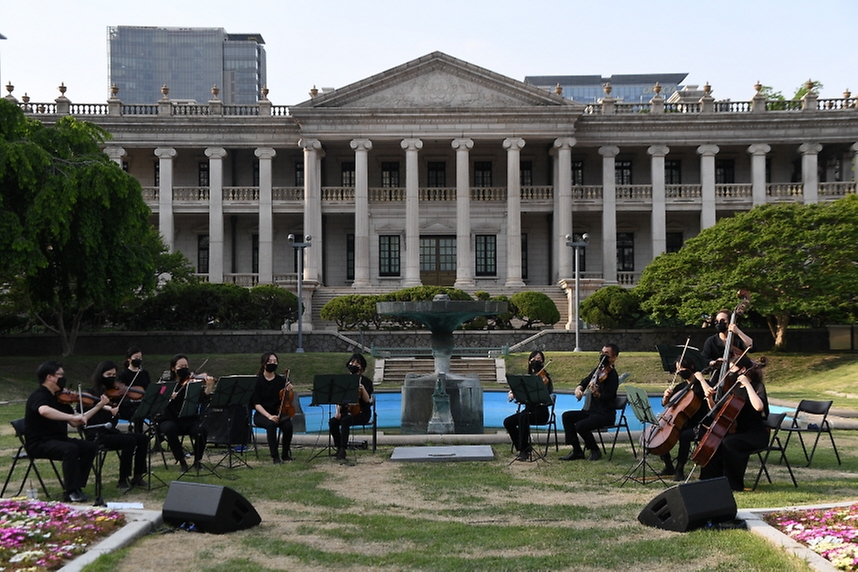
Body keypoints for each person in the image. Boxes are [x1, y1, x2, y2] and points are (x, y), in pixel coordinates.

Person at [24, 361, 110, 502]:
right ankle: (71, 492)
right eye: (61, 375)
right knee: (70, 449)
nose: (64, 378)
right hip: (39, 443)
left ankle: (77, 486)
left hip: (58, 439)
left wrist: (98, 406)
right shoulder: (39, 395)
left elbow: (76, 421)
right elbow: (44, 410)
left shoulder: (60, 398)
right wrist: (70, 416)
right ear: (50, 377)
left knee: (90, 447)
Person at [697, 356, 769, 492]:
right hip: (738, 432)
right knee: (716, 440)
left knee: (729, 443)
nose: (729, 371)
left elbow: (759, 407)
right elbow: (719, 412)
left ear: (742, 370)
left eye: (732, 368)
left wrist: (747, 384)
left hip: (755, 434)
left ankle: (733, 484)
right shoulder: (733, 388)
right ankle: (710, 479)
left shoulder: (757, 386)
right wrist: (710, 399)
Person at [84, 360, 150, 489]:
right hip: (97, 433)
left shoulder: (116, 394)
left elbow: (126, 414)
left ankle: (137, 476)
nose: (112, 378)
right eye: (109, 375)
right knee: (128, 441)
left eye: (114, 375)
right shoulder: (91, 393)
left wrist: (140, 409)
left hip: (111, 432)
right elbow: (86, 412)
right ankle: (122, 479)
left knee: (143, 438)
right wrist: (103, 405)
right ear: (100, 375)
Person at [655, 356, 715, 481]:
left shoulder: (704, 384)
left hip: (700, 425)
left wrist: (701, 379)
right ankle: (668, 466)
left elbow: (709, 393)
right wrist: (665, 398)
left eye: (682, 368)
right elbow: (668, 405)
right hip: (683, 423)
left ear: (691, 367)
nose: (680, 371)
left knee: (684, 436)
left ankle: (679, 469)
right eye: (678, 369)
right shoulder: (680, 387)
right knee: (660, 431)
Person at [559, 344, 620, 461]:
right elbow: (586, 381)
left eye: (606, 354)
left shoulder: (613, 376)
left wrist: (597, 393)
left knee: (581, 426)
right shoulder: (598, 369)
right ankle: (577, 451)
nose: (603, 356)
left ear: (614, 357)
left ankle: (595, 450)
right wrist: (579, 388)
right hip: (592, 411)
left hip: (605, 414)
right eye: (602, 353)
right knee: (567, 416)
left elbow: (609, 396)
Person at [157, 354, 215, 472]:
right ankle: (182, 461)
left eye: (186, 366)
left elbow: (202, 399)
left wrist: (209, 387)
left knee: (202, 430)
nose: (184, 368)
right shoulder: (165, 383)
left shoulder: (192, 382)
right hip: (169, 419)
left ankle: (197, 461)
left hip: (188, 420)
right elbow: (159, 397)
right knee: (169, 429)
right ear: (173, 368)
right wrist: (168, 395)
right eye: (181, 366)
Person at [504, 350, 554, 461]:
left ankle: (524, 451)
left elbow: (548, 392)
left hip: (541, 412)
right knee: (508, 422)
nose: (537, 361)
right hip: (528, 411)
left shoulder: (545, 378)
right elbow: (522, 393)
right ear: (529, 361)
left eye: (539, 360)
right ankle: (524, 446)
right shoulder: (526, 379)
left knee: (523, 417)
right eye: (534, 359)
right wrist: (515, 393)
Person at [329, 353, 374, 462]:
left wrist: (362, 389)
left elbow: (368, 400)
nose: (353, 364)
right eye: (352, 362)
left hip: (362, 413)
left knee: (346, 420)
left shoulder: (366, 382)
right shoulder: (343, 381)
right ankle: (339, 446)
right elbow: (338, 398)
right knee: (333, 422)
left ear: (362, 367)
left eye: (357, 363)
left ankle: (342, 449)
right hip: (345, 411)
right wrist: (338, 411)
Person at [251, 352, 294, 464]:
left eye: (275, 361)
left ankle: (285, 454)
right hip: (262, 414)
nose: (273, 363)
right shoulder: (258, 381)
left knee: (288, 425)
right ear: (264, 364)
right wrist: (269, 416)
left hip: (277, 411)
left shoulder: (281, 380)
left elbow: (286, 399)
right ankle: (275, 456)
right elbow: (256, 404)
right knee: (271, 425)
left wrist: (289, 391)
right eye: (270, 361)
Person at [702, 308, 753, 388]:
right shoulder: (711, 341)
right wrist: (713, 362)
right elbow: (704, 359)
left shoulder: (738, 339)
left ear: (730, 322)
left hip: (737, 377)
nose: (719, 323)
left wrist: (738, 331)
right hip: (718, 377)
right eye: (717, 321)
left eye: (723, 321)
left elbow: (752, 347)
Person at [117, 346, 152, 433]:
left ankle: (158, 440)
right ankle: (139, 437)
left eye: (140, 358)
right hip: (129, 406)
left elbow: (149, 388)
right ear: (129, 359)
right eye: (136, 358)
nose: (139, 360)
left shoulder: (144, 373)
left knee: (158, 414)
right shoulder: (124, 374)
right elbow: (121, 393)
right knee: (138, 415)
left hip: (143, 403)